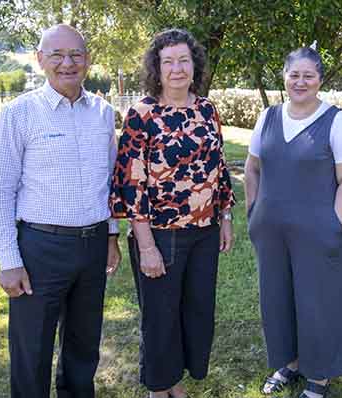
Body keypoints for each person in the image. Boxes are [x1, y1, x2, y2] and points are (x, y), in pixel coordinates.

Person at [0, 24, 122, 398]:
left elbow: (109, 182)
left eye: (76, 54)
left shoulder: (102, 113)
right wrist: (8, 259)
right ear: (40, 59)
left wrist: (111, 234)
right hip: (40, 248)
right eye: (57, 55)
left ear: (88, 61)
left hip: (92, 246)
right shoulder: (20, 113)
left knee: (83, 347)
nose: (68, 63)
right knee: (32, 350)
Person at [110, 28, 236, 398]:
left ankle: (172, 379)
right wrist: (145, 245)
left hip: (204, 231)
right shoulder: (142, 115)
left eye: (184, 60)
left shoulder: (207, 109)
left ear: (194, 65)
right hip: (160, 233)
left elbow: (219, 167)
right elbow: (131, 183)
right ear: (157, 68)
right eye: (169, 62)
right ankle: (159, 387)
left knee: (195, 312)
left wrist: (225, 216)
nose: (177, 68)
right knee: (161, 315)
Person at [244, 46, 342, 398]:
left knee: (317, 303)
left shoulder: (337, 120)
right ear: (284, 77)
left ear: (320, 80)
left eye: (308, 75)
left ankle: (319, 376)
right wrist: (254, 212)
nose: (300, 81)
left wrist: (335, 225)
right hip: (271, 232)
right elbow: (252, 168)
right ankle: (289, 364)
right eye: (294, 74)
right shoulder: (267, 117)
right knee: (277, 299)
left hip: (318, 232)